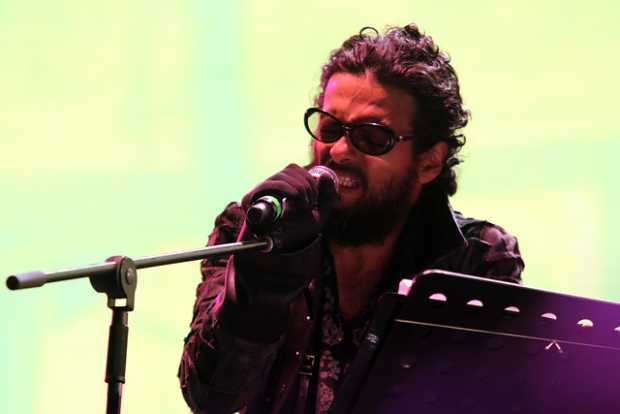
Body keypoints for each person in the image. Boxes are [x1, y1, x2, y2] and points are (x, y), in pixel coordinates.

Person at [178, 23, 524, 414]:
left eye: (371, 137)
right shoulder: (255, 230)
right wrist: (259, 286)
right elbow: (211, 398)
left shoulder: (476, 259)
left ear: (429, 161)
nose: (339, 151)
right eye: (330, 128)